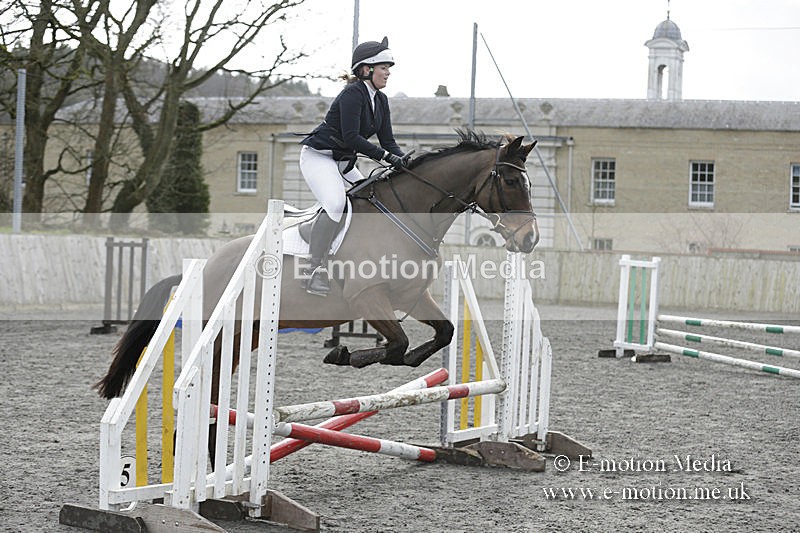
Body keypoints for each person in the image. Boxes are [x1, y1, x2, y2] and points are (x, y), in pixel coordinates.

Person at [298, 36, 410, 296]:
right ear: (366, 69)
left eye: (388, 68)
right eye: (384, 67)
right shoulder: (353, 93)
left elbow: (388, 140)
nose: (388, 72)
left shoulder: (380, 100)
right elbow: (352, 138)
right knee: (336, 203)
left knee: (372, 201)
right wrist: (386, 157)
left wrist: (404, 161)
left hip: (343, 161)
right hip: (320, 157)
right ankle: (312, 269)